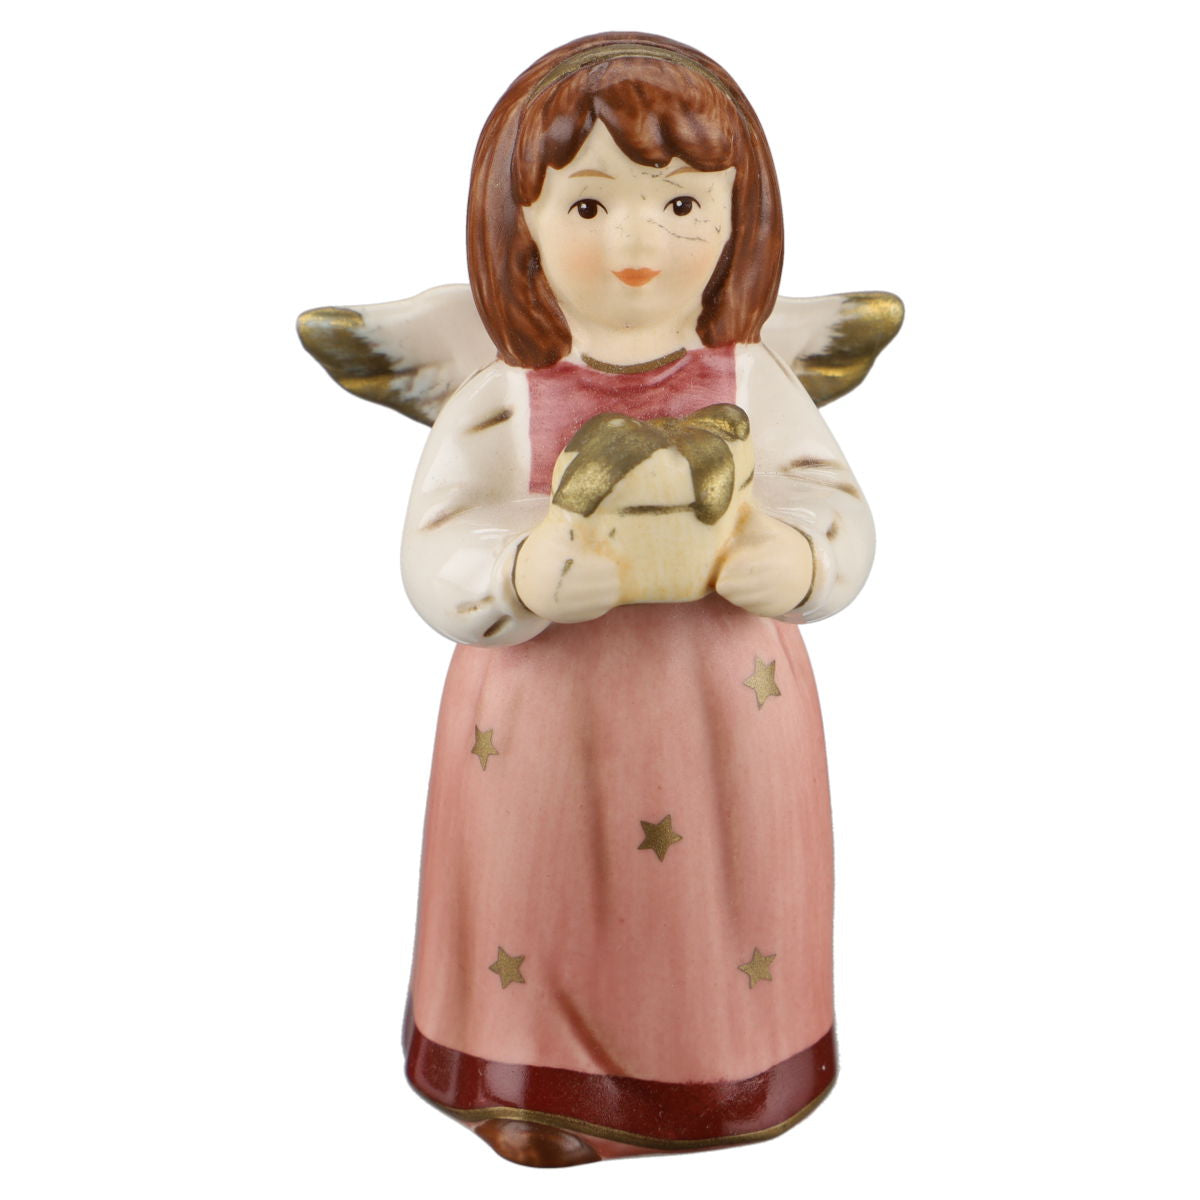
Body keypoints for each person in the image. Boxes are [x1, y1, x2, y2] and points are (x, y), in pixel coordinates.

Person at [397, 33, 877, 1167]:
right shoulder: (503, 398)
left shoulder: (755, 382)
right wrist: (517, 572)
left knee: (718, 907)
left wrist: (800, 559)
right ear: (518, 225)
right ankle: (528, 1074)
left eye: (681, 204)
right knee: (538, 892)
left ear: (738, 220)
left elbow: (835, 504)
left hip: (727, 709)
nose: (637, 243)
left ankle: (725, 1070)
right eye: (589, 205)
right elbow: (434, 545)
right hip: (540, 722)